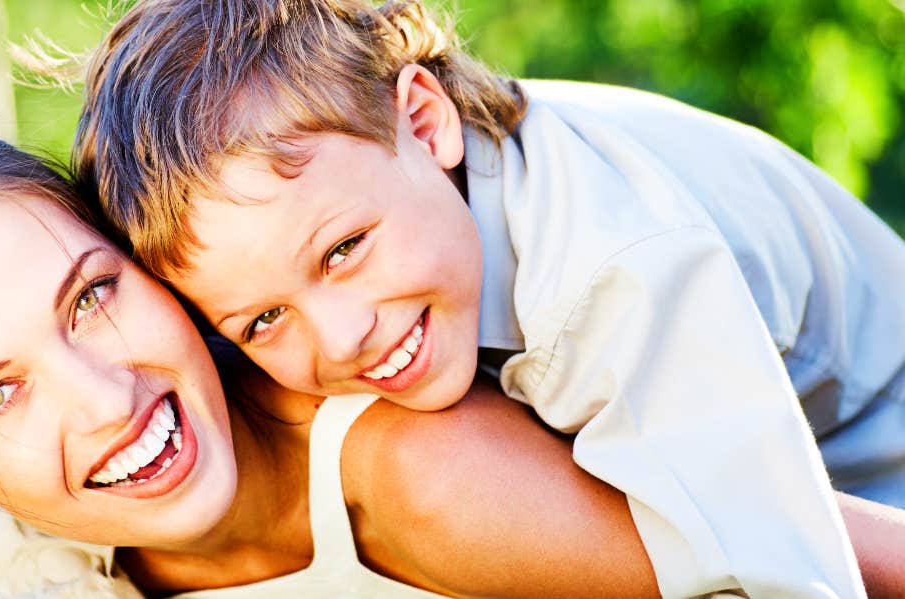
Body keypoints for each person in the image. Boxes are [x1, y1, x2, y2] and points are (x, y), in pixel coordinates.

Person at [0, 130, 905, 598]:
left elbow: (826, 551)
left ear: (150, 261)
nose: (108, 397)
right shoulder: (18, 534)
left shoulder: (417, 469)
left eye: (93, 296)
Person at [72, 0, 905, 596]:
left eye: (344, 249)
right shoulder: (402, 198)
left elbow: (788, 572)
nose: (341, 337)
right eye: (262, 319)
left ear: (426, 123)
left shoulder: (609, 277)